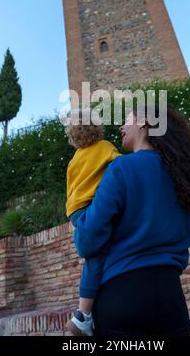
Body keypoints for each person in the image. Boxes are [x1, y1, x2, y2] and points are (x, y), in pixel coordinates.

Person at [73, 103, 190, 337]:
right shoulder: (181, 175)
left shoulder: (121, 168)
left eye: (127, 119)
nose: (121, 126)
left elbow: (87, 241)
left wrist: (79, 221)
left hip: (122, 296)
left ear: (143, 122)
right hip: (171, 298)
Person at [64, 108, 121, 336]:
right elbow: (122, 167)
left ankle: (85, 314)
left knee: (95, 253)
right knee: (97, 257)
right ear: (97, 127)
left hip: (76, 211)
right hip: (92, 207)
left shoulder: (74, 159)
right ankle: (83, 315)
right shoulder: (105, 147)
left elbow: (71, 189)